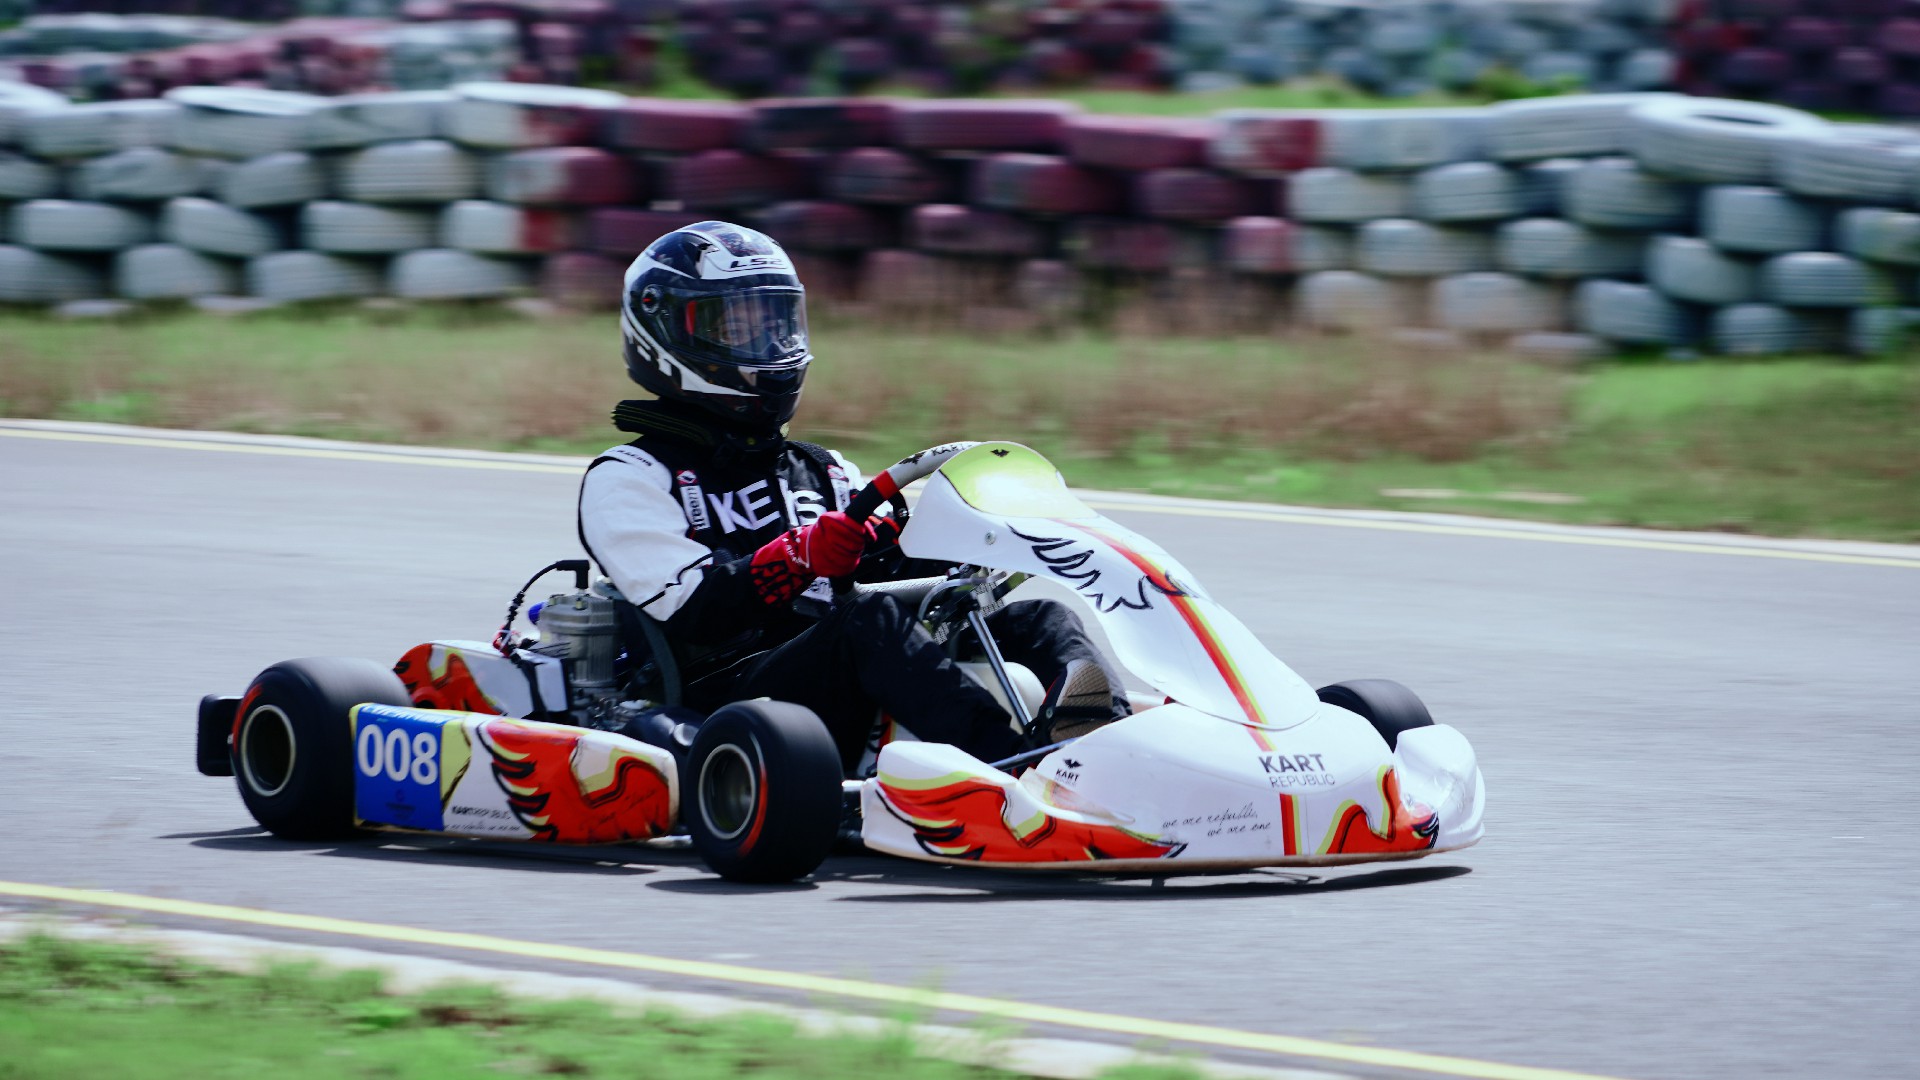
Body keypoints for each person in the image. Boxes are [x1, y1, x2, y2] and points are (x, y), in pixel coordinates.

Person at [576, 221, 1128, 770]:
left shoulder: (822, 469)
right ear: (666, 330)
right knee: (869, 621)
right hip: (730, 697)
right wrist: (797, 556)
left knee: (1040, 618)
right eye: (737, 328)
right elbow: (694, 608)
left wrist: (958, 536)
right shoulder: (630, 477)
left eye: (775, 324)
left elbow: (887, 575)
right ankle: (1017, 768)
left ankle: (1110, 752)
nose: (767, 346)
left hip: (847, 672)